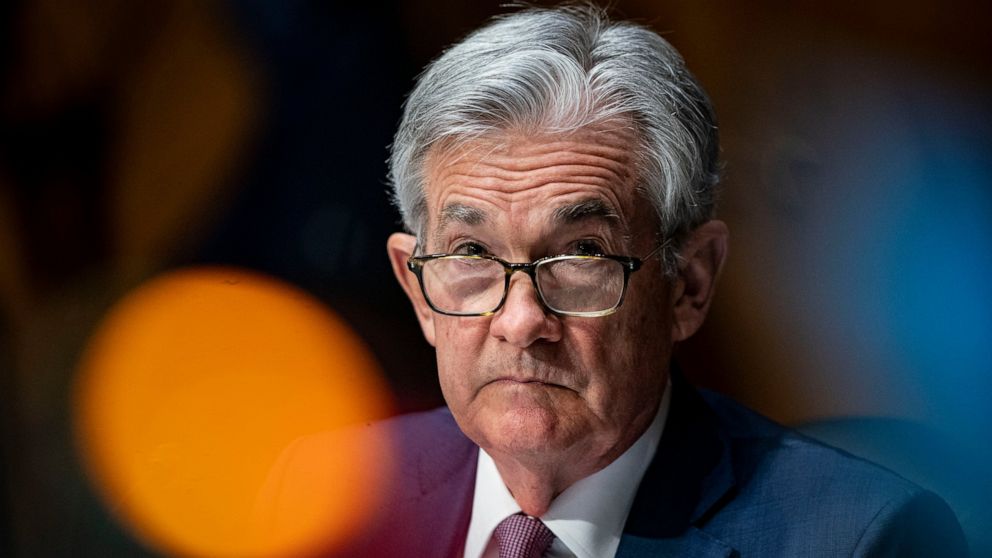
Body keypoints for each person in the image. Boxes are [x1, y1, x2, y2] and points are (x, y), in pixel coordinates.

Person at [262, 4, 967, 557]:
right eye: (472, 252)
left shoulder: (862, 539)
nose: (520, 321)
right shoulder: (324, 495)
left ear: (689, 284)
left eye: (580, 255)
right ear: (417, 288)